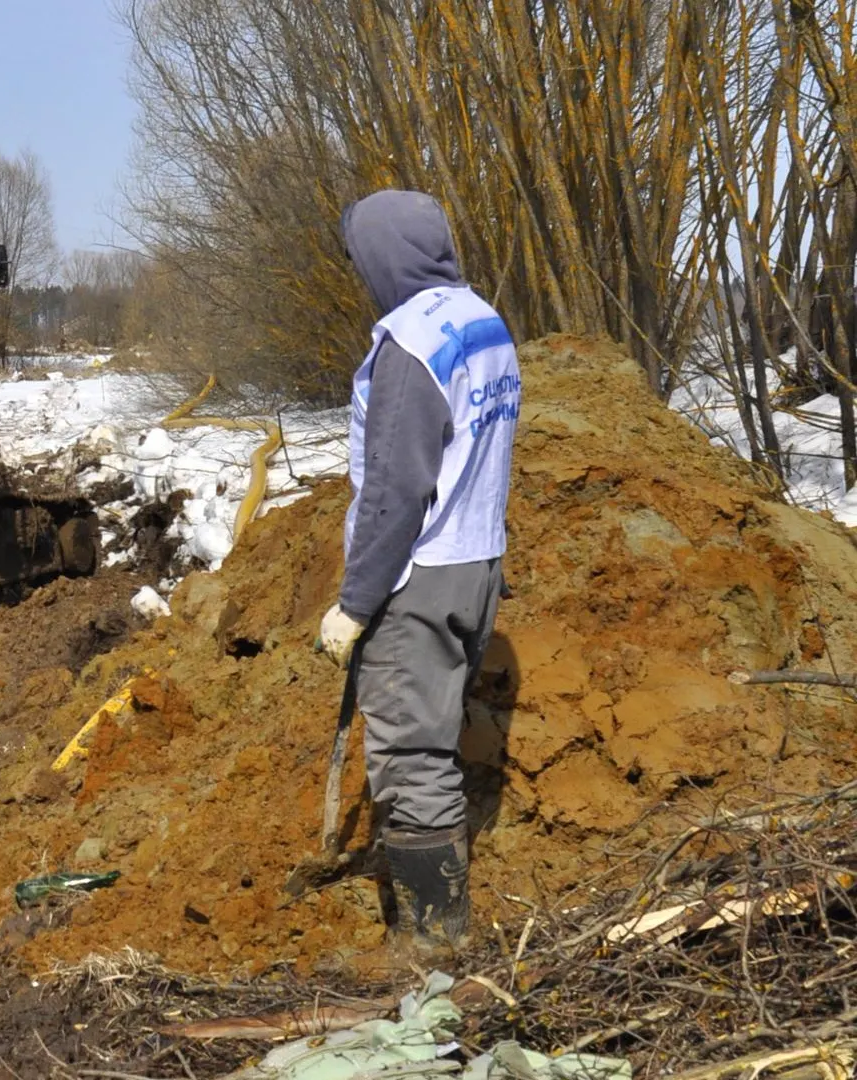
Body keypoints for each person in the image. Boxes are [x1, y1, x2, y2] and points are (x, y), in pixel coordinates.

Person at [315, 189, 520, 954]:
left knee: (409, 755)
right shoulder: (482, 321)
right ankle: (439, 928)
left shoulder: (408, 346)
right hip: (477, 562)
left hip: (420, 573)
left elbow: (398, 489)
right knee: (434, 734)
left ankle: (435, 950)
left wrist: (356, 604)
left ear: (381, 256)